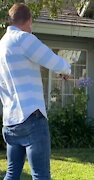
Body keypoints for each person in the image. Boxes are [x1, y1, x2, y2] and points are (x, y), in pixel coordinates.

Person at [0, 3, 71, 179]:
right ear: (29, 20)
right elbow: (55, 62)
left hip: (10, 122)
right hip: (32, 118)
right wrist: (66, 70)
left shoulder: (2, 45)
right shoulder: (24, 39)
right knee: (41, 176)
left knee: (11, 174)